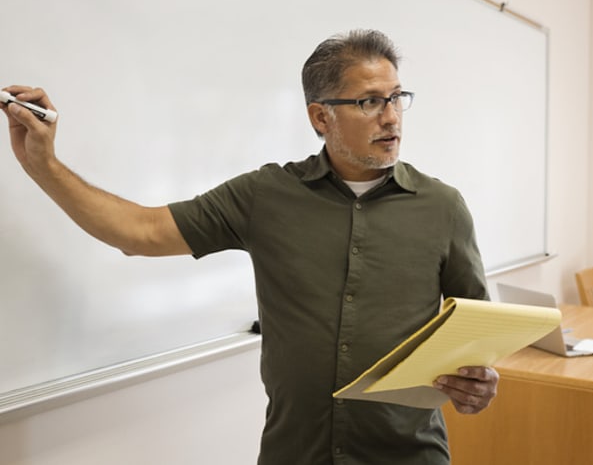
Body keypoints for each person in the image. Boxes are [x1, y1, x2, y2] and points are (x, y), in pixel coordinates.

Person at [2, 29, 498, 464]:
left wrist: (479, 383)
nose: (391, 117)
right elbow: (140, 233)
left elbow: (477, 339)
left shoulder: (442, 208)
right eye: (370, 101)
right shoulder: (266, 196)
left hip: (407, 459)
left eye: (397, 97)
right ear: (320, 117)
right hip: (294, 455)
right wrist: (45, 165)